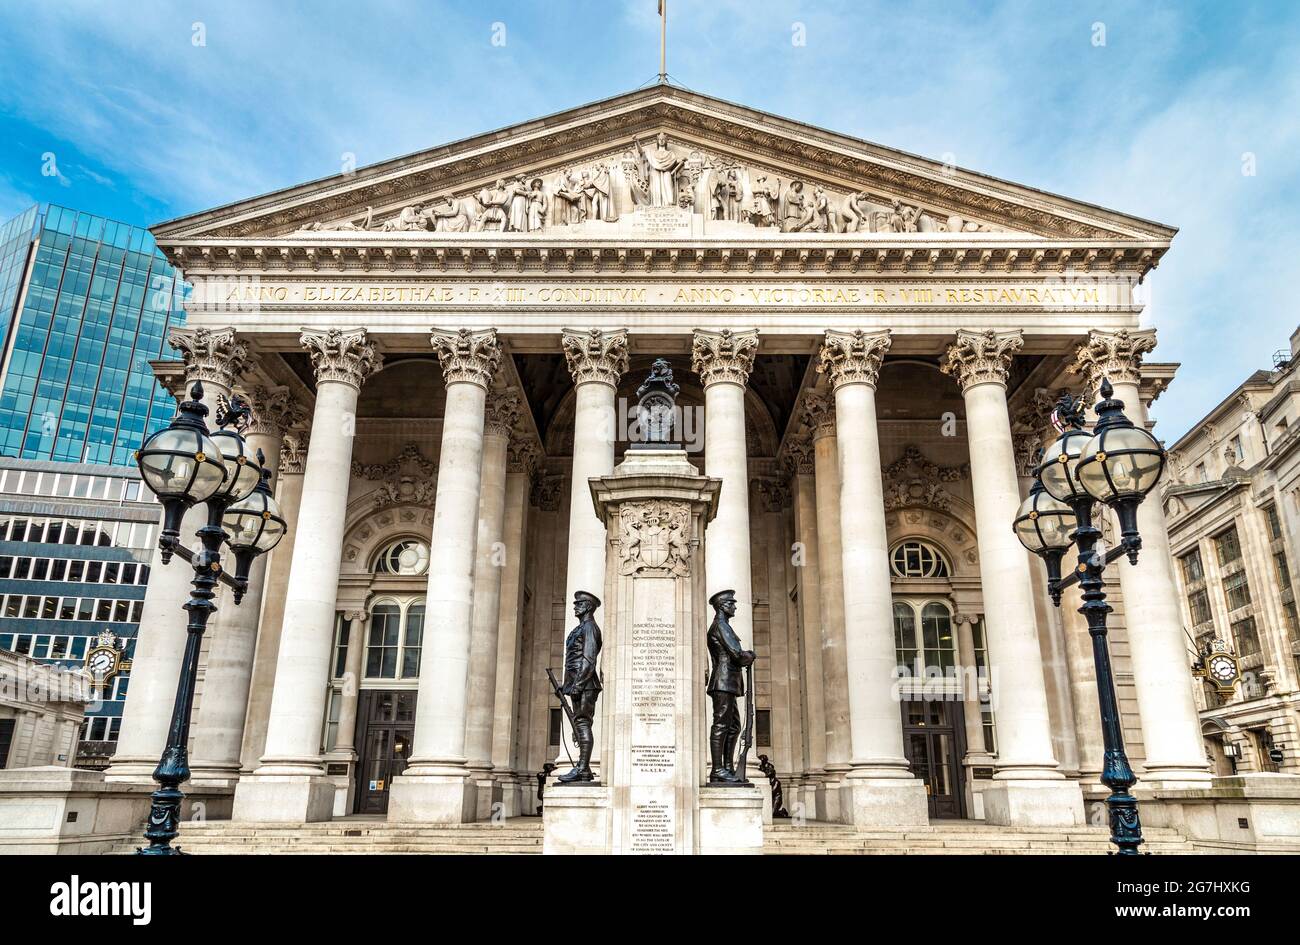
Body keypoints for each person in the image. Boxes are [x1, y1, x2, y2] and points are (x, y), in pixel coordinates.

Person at [705, 588, 755, 783]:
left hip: (729, 683)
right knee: (721, 724)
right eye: (731, 603)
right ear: (722, 606)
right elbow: (736, 653)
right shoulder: (720, 625)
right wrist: (750, 655)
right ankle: (718, 769)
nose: (734, 606)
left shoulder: (725, 625)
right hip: (723, 682)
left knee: (733, 726)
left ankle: (727, 767)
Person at [557, 590, 603, 783]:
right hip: (578, 683)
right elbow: (572, 660)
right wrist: (566, 685)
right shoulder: (581, 628)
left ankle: (582, 767)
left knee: (583, 723)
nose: (575, 607)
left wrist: (578, 684)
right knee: (580, 723)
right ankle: (583, 770)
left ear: (588, 606)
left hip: (585, 684)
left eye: (579, 604)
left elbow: (588, 659)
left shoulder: (590, 628)